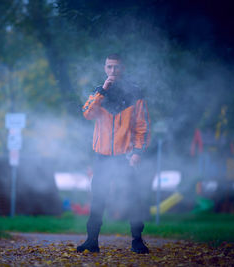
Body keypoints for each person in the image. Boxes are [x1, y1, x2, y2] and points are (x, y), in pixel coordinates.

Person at [78, 53, 151, 254]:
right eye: (109, 67)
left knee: (133, 198)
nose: (113, 71)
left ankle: (137, 241)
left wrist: (137, 152)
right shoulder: (98, 92)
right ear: (104, 68)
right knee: (98, 198)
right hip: (102, 156)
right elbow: (87, 113)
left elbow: (142, 127)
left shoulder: (136, 93)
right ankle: (91, 241)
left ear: (123, 68)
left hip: (126, 157)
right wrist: (102, 91)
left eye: (116, 67)